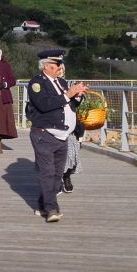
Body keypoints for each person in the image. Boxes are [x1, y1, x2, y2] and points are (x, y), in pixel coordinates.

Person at [27, 50, 88, 223]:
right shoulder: (36, 83)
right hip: (44, 134)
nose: (61, 67)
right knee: (47, 172)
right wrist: (68, 95)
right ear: (47, 66)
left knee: (56, 174)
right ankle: (52, 209)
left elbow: (69, 103)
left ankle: (42, 205)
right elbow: (44, 105)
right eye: (58, 64)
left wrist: (77, 96)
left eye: (61, 64)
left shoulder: (61, 82)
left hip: (63, 135)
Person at [58, 64, 83, 193]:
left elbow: (76, 103)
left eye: (61, 68)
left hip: (69, 125)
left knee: (71, 153)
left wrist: (78, 95)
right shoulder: (46, 83)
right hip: (54, 124)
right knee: (55, 155)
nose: (60, 70)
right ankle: (56, 181)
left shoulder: (70, 83)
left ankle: (67, 177)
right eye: (57, 67)